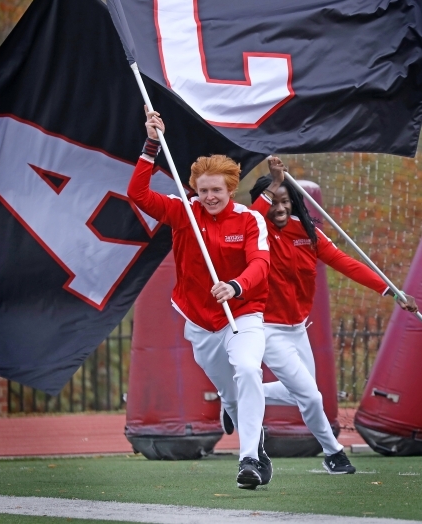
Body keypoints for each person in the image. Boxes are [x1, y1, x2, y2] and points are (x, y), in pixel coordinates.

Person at [222, 156, 418, 474]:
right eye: (274, 200)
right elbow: (256, 214)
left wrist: (393, 292)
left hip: (297, 328)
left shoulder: (308, 233)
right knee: (312, 398)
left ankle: (236, 399)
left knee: (298, 393)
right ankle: (333, 454)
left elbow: (346, 263)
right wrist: (271, 184)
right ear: (264, 201)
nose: (280, 208)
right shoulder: (252, 230)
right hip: (263, 327)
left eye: (287, 200)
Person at [127, 109, 272, 489]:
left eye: (217, 191)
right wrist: (152, 144)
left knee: (248, 371)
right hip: (200, 320)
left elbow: (260, 264)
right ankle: (228, 403)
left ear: (231, 189)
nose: (209, 197)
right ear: (194, 189)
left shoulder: (249, 220)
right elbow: (137, 194)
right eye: (203, 190)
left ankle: (250, 459)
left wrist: (236, 286)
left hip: (242, 314)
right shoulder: (183, 213)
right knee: (229, 387)